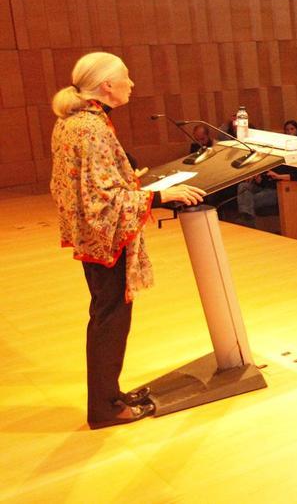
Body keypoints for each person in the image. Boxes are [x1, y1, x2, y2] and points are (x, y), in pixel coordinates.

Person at [50, 52, 205, 429]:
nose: (131, 84)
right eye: (126, 77)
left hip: (93, 237)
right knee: (110, 319)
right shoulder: (92, 128)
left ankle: (110, 394)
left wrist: (128, 178)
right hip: (106, 238)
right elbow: (101, 198)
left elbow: (87, 182)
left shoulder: (74, 122)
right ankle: (104, 408)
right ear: (106, 86)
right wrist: (158, 196)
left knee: (107, 314)